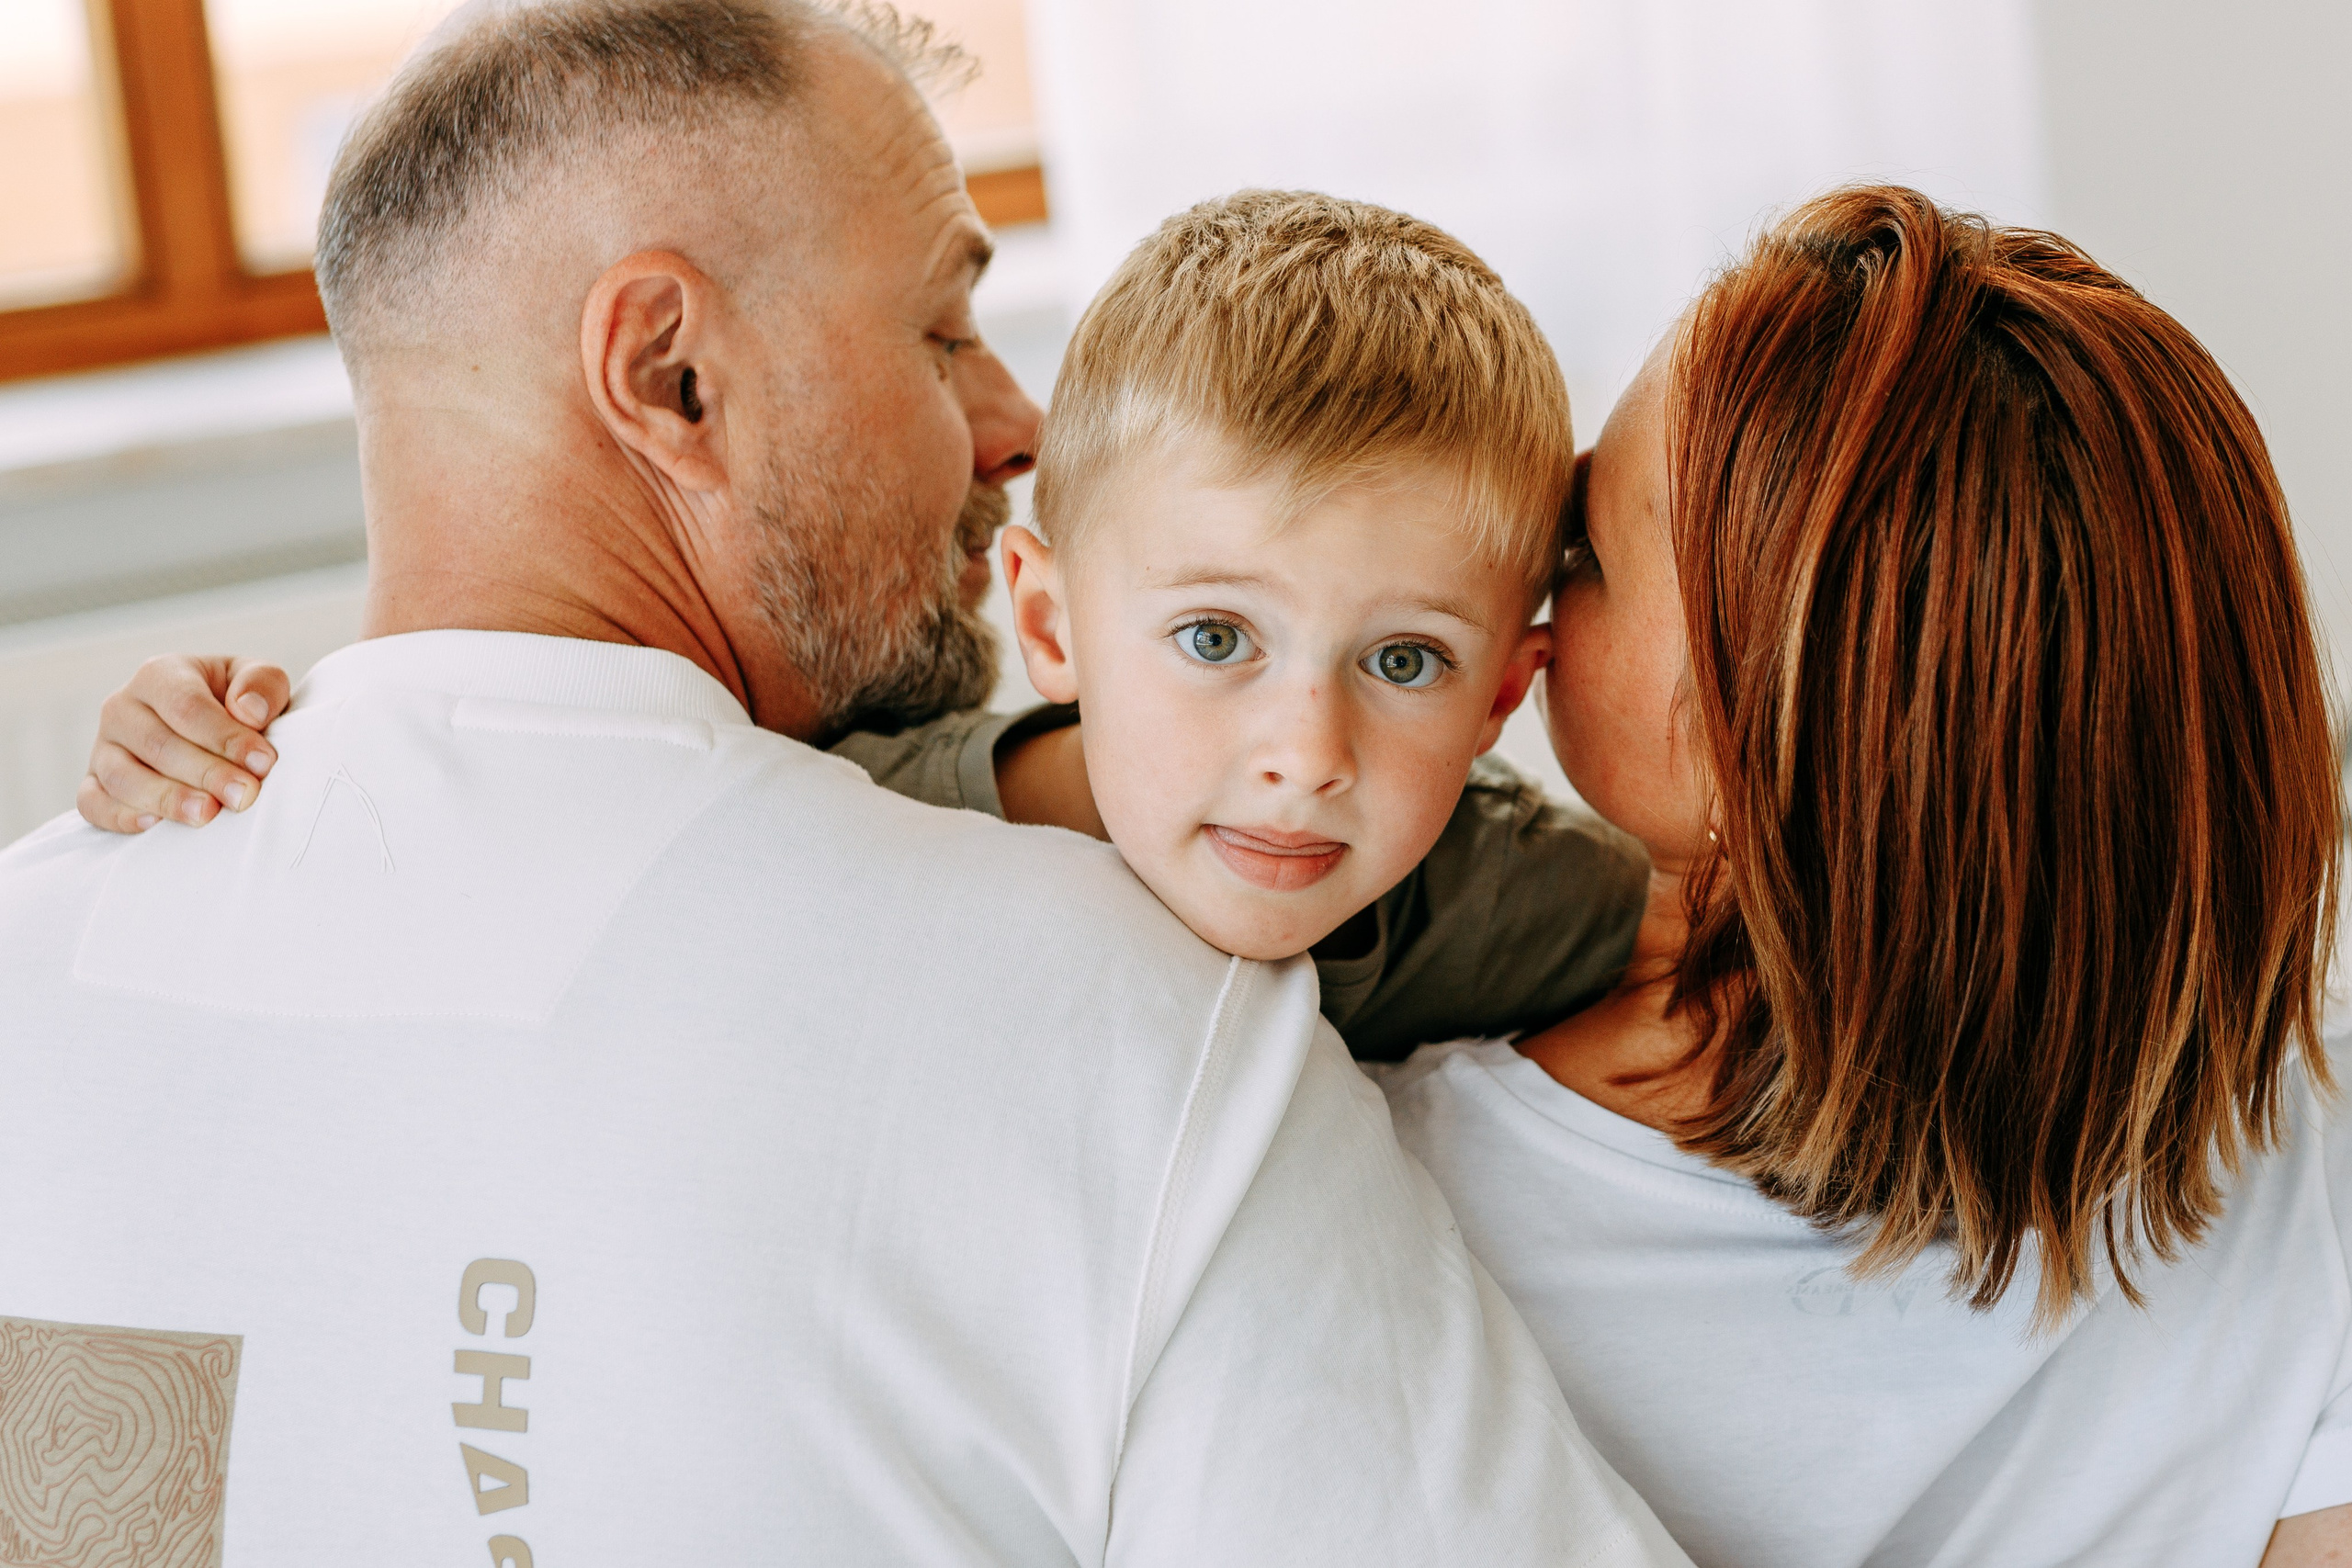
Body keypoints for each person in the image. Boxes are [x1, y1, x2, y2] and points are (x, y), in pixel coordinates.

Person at [0, 1, 1690, 1562]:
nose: (1016, 420)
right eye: (941, 324)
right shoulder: (1128, 1019)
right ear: (671, 374)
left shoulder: (40, 949)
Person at [96, 187, 1651, 1064]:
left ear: (1508, 691)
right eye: (1215, 641)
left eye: (1402, 664)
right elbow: (497, 787)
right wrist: (220, 727)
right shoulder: (827, 798)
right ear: (1046, 619)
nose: (1306, 756)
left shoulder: (1526, 898)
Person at [1374, 187, 2351, 1567]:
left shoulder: (1402, 1185)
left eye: (1585, 552)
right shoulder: (2306, 1152)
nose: (1528, 578)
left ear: (1763, 744)